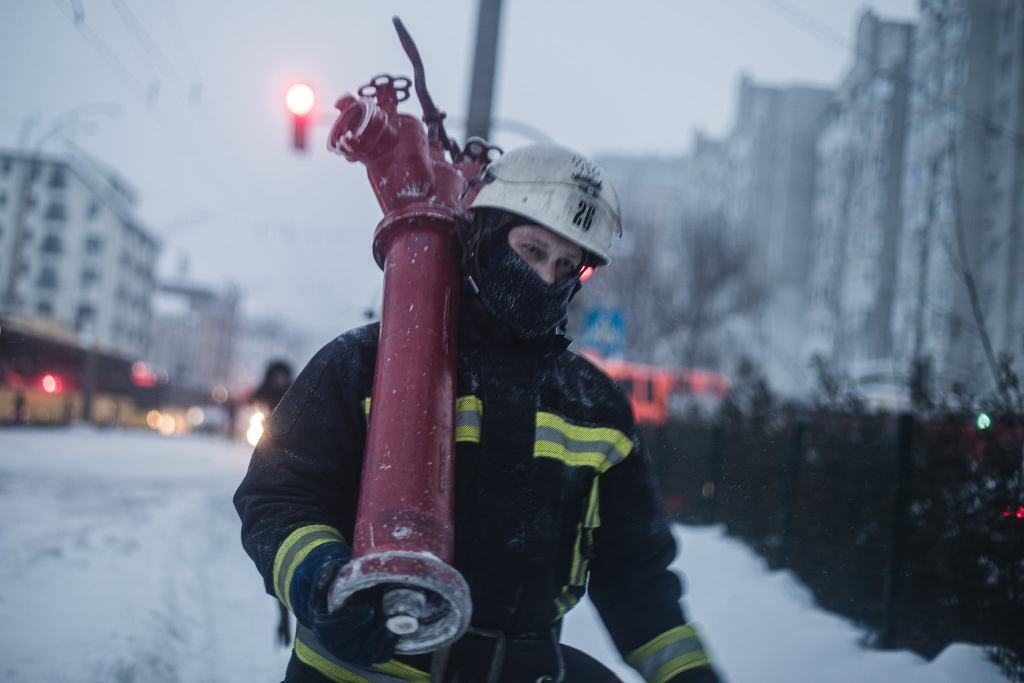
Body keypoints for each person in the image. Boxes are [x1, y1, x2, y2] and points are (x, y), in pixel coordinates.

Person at [234, 144, 721, 682]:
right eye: (531, 249)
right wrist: (322, 583)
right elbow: (277, 496)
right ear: (485, 236)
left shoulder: (595, 406)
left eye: (567, 265)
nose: (545, 277)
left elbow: (635, 571)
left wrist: (689, 674)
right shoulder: (368, 363)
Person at [248, 359, 296, 647]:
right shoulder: (265, 390)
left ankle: (285, 621)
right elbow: (251, 399)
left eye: (283, 376)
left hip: (289, 445)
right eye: (275, 376)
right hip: (268, 441)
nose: (279, 380)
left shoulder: (294, 390)